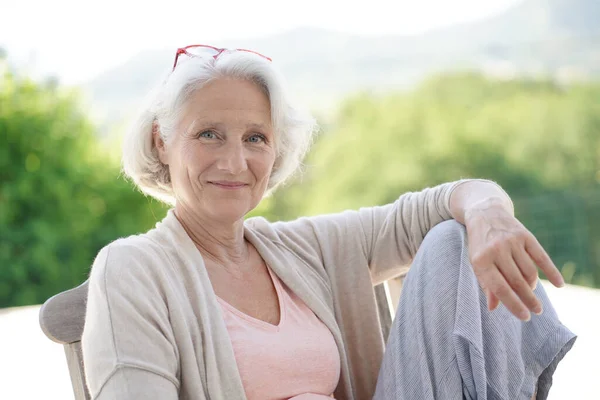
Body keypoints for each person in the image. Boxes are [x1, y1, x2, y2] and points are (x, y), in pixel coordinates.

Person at [81, 44, 576, 400]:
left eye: (255, 138)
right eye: (209, 134)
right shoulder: (132, 269)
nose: (234, 162)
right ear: (162, 141)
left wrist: (490, 214)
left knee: (453, 236)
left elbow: (441, 203)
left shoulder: (306, 248)